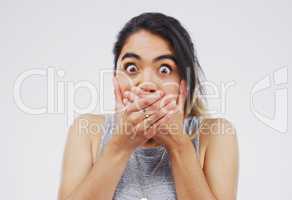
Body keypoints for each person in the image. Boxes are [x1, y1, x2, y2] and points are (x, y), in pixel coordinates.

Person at [58, 12, 239, 200]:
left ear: (184, 85)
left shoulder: (215, 134)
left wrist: (179, 145)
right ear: (115, 80)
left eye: (164, 69)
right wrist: (120, 146)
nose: (146, 83)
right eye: (131, 68)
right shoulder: (87, 131)